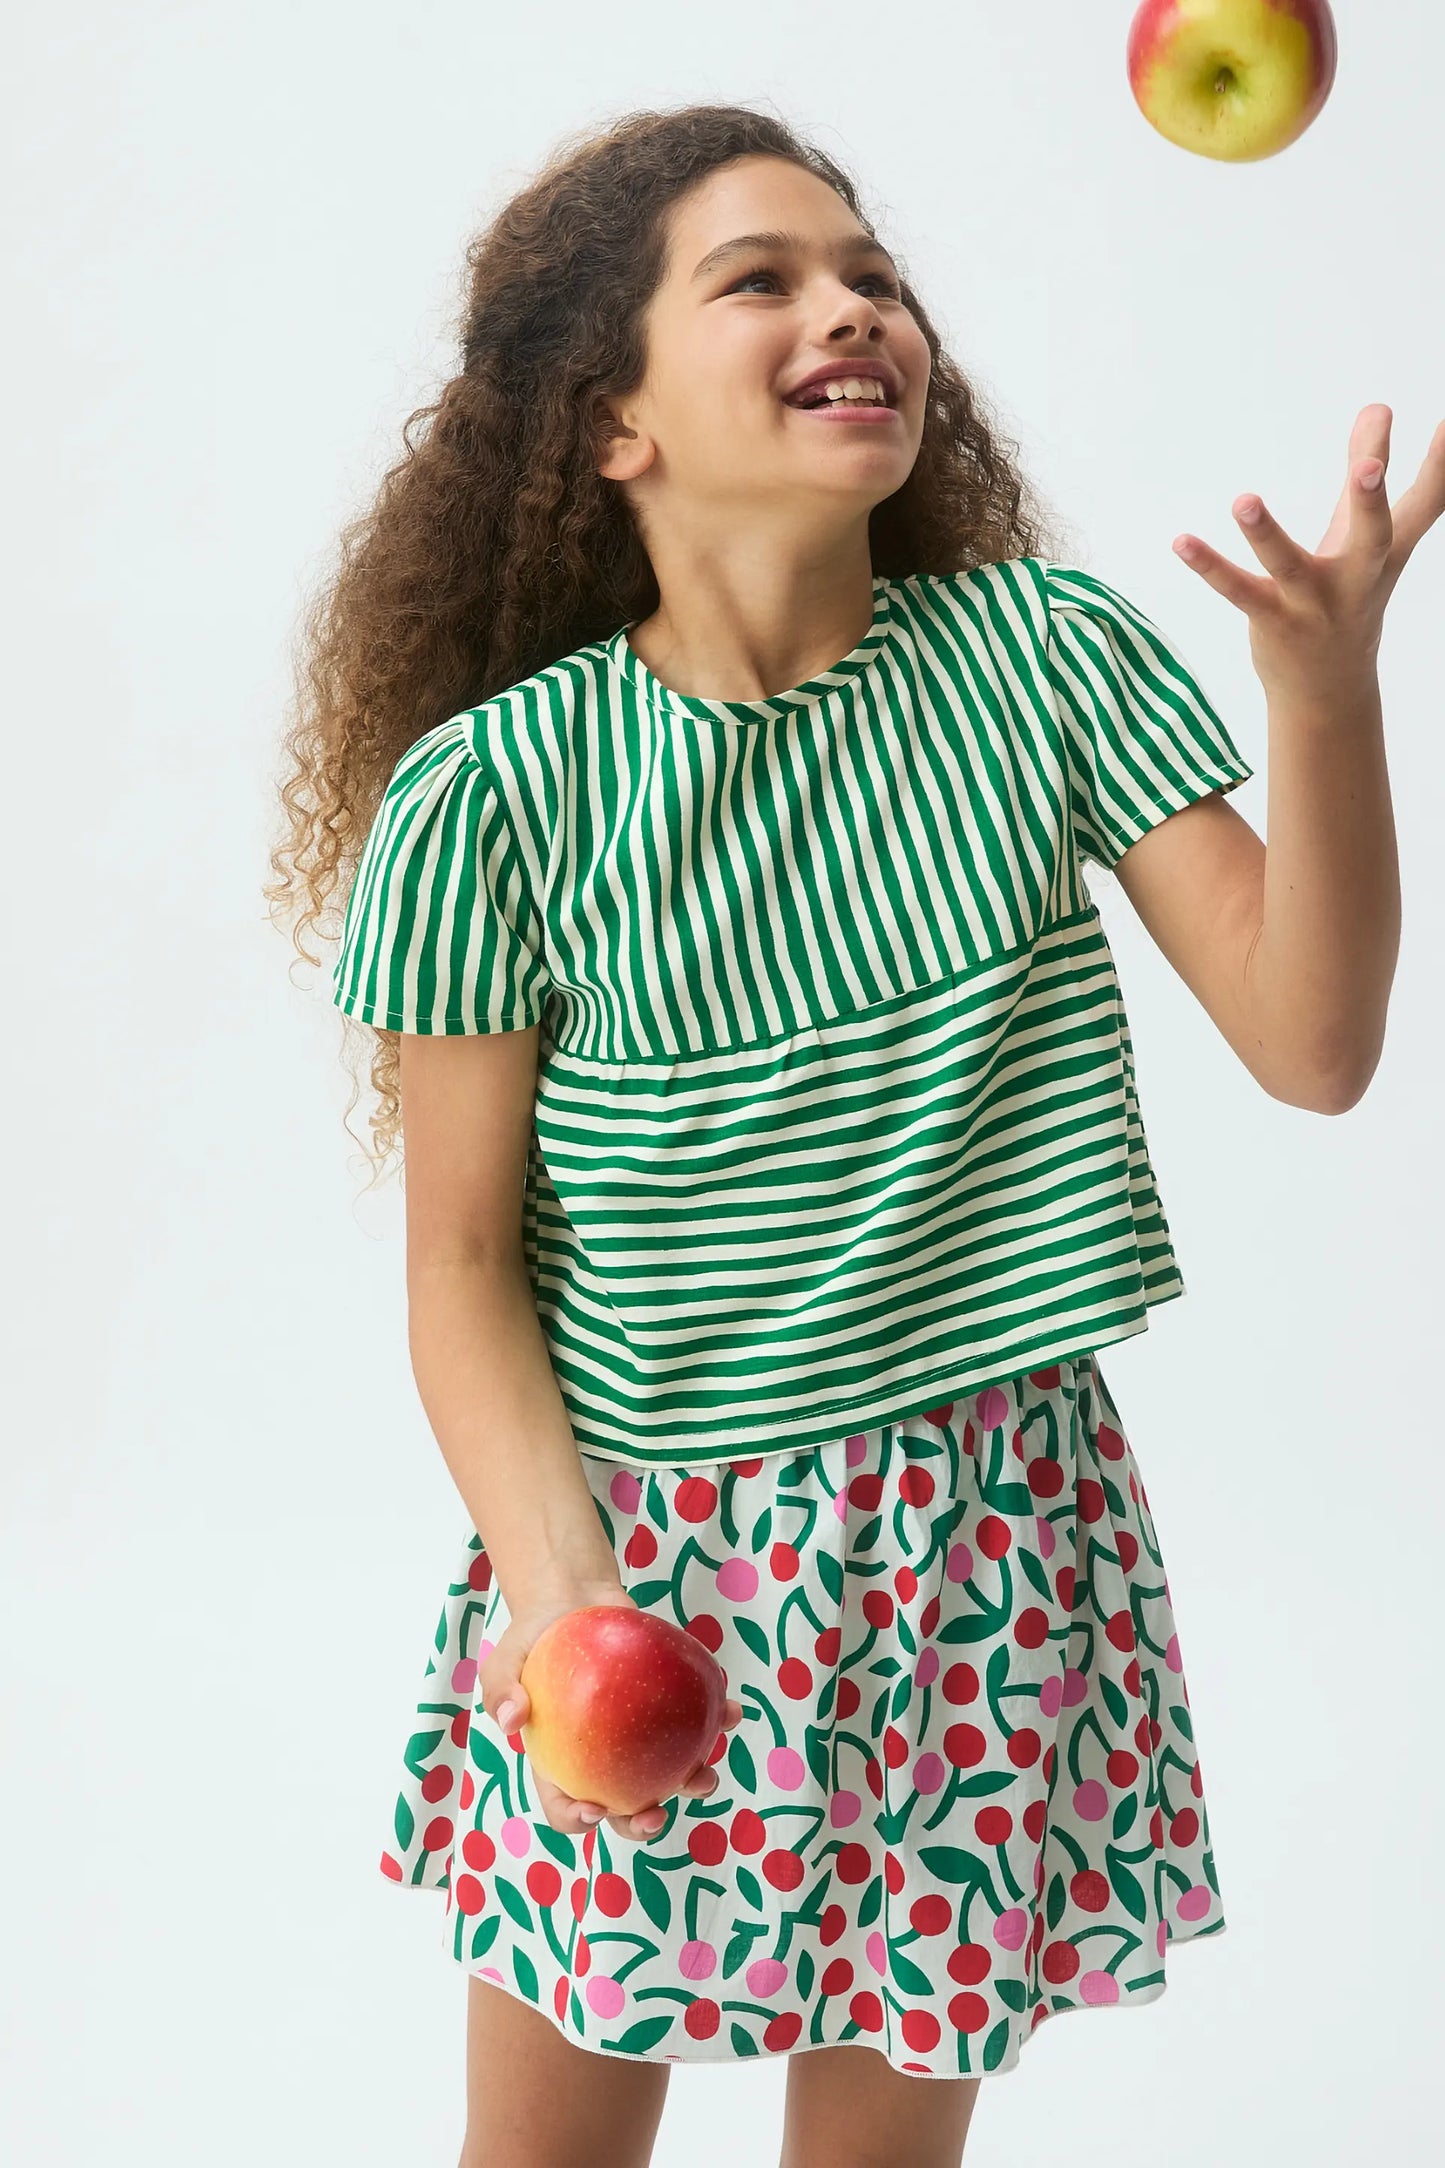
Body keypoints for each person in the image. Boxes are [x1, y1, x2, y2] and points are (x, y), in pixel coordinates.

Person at [269, 98, 1433, 2168]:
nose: (857, 307)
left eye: (874, 270)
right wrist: (568, 1613)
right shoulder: (499, 801)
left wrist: (1323, 699)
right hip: (642, 1561)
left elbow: (1315, 1038)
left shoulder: (1045, 664)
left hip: (990, 1544)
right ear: (608, 421)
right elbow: (457, 1267)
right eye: (766, 278)